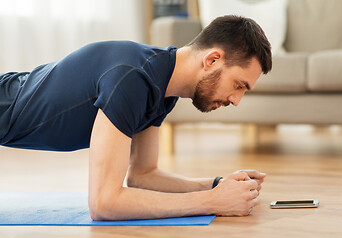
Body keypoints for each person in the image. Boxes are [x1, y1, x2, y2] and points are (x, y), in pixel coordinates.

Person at [0, 15, 272, 220]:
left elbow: (143, 175)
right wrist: (213, 200)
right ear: (212, 60)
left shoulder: (163, 86)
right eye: (239, 85)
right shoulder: (134, 79)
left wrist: (217, 185)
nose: (236, 101)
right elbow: (104, 203)